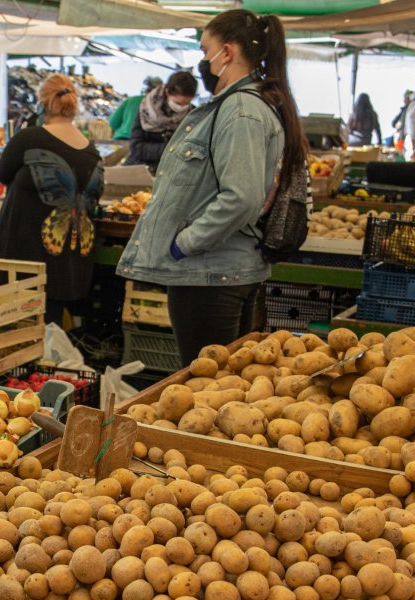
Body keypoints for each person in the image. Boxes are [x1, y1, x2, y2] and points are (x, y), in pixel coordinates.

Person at [117, 8, 307, 362]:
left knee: (204, 389)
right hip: (220, 271)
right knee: (221, 387)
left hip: (210, 275)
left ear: (228, 53)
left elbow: (242, 196)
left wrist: (184, 244)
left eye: (206, 51)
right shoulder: (244, 105)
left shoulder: (240, 110)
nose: (203, 61)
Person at [0, 74, 103, 328]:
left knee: (14, 328)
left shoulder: (29, 139)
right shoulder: (91, 150)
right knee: (49, 325)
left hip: (24, 253)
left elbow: (1, 174)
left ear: (42, 103)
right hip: (66, 256)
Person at [126, 71, 198, 171]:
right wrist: (171, 150)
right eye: (178, 103)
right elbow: (136, 147)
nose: (182, 108)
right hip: (142, 168)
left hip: (172, 171)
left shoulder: (193, 114)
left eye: (186, 104)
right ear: (167, 92)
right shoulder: (147, 109)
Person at [109, 76, 161, 141]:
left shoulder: (131, 100)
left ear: (146, 89)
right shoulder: (158, 104)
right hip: (144, 142)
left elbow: (113, 123)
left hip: (121, 139)